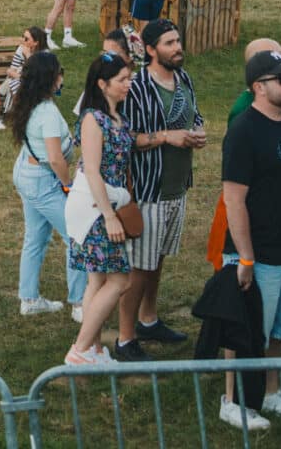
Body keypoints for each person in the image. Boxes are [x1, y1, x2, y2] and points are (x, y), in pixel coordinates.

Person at [218, 47, 281, 428]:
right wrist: (245, 258)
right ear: (259, 87)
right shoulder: (243, 131)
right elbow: (234, 199)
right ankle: (233, 402)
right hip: (258, 255)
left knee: (278, 330)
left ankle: (271, 394)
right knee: (245, 332)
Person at [113, 19, 205, 362]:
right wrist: (167, 136)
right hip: (148, 190)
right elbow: (126, 139)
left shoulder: (184, 79)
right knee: (138, 267)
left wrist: (197, 131)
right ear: (151, 50)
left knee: (157, 260)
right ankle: (124, 339)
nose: (177, 47)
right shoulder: (136, 87)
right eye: (169, 43)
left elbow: (193, 116)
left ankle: (148, 319)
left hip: (177, 187)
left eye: (178, 40)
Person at [64, 50, 136, 368]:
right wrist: (108, 216)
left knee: (96, 280)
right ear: (103, 84)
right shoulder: (93, 118)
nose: (128, 84)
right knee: (120, 280)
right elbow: (91, 169)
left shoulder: (118, 117)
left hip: (107, 204)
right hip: (96, 209)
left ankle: (91, 350)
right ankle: (80, 349)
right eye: (122, 80)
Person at [7, 50, 87, 320]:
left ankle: (29, 299)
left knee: (36, 237)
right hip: (42, 181)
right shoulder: (48, 113)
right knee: (76, 236)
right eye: (59, 72)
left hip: (27, 174)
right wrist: (69, 185)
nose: (63, 77)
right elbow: (54, 158)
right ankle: (79, 303)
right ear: (51, 78)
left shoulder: (29, 103)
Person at [3, 26, 48, 102]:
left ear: (36, 42)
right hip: (22, 81)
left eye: (26, 39)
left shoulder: (45, 54)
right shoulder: (21, 49)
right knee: (16, 84)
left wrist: (28, 55)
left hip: (39, 84)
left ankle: (22, 110)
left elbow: (39, 74)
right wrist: (22, 78)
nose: (23, 40)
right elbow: (11, 70)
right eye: (23, 37)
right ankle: (20, 110)